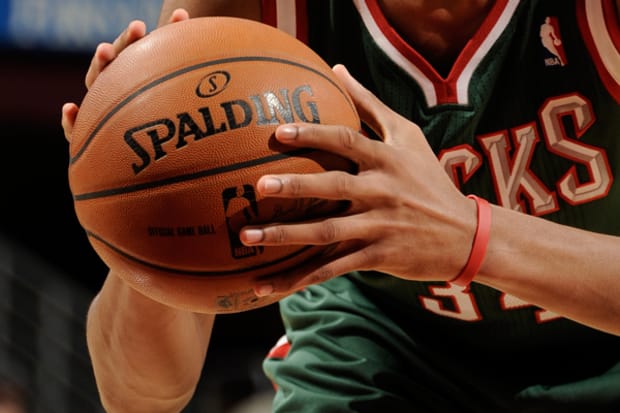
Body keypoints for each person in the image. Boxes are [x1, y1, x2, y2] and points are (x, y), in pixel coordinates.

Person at [61, 0, 620, 412]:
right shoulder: (241, 9)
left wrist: (471, 238)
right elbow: (137, 399)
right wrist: (142, 201)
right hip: (382, 348)